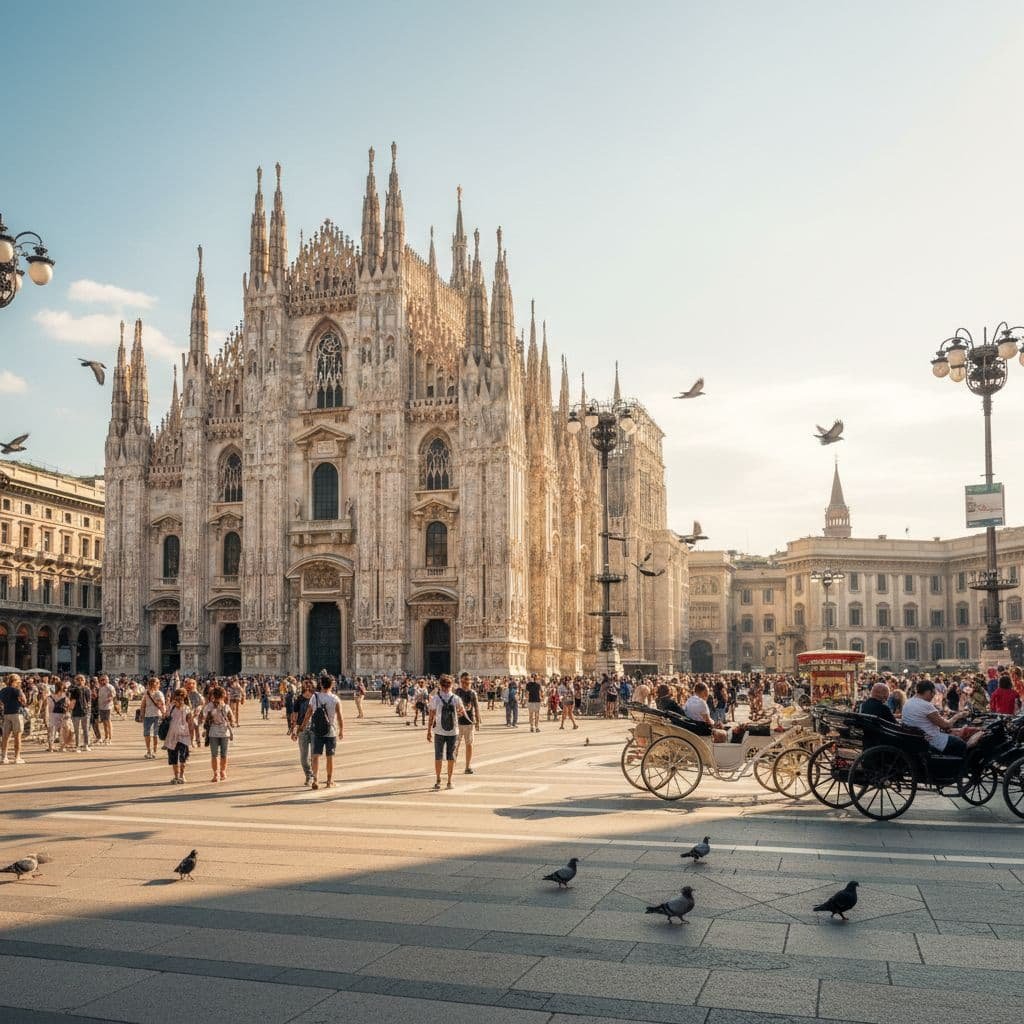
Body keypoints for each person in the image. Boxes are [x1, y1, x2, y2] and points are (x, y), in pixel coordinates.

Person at [902, 680, 971, 756]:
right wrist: (958, 716)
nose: (933, 696)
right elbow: (946, 725)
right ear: (928, 692)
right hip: (932, 741)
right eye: (933, 693)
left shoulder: (908, 702)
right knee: (962, 744)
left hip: (917, 738)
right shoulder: (925, 705)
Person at [299, 676, 344, 789]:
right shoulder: (335, 699)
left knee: (315, 756)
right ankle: (329, 781)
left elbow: (308, 713)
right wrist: (341, 730)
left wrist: (303, 726)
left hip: (317, 731)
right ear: (331, 685)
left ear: (321, 685)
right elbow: (339, 717)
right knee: (330, 757)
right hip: (331, 731)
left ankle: (316, 780)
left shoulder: (315, 697)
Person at [427, 674, 465, 790]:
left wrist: (428, 731)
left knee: (438, 756)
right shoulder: (456, 698)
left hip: (439, 731)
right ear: (452, 685)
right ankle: (449, 781)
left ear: (440, 685)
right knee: (451, 757)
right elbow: (462, 712)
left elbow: (431, 716)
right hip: (453, 732)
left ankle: (438, 780)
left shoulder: (436, 699)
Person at [201, 685, 234, 782]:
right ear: (223, 696)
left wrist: (205, 729)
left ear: (214, 695)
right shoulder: (226, 706)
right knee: (224, 754)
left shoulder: (209, 706)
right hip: (224, 732)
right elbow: (232, 720)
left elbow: (205, 718)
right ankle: (223, 772)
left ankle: (216, 774)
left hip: (213, 732)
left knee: (214, 754)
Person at [163, 688, 195, 784]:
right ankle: (177, 776)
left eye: (180, 697)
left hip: (182, 736)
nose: (179, 699)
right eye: (177, 697)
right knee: (175, 757)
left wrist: (192, 738)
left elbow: (190, 723)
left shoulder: (186, 708)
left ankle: (180, 776)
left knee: (182, 757)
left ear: (184, 697)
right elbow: (165, 716)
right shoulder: (171, 707)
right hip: (173, 736)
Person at [289, 678, 316, 785]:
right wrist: (293, 730)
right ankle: (308, 774)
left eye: (310, 684)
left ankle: (314, 776)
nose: (308, 686)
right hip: (302, 729)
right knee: (304, 757)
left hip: (315, 729)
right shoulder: (299, 699)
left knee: (315, 755)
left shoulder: (317, 698)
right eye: (306, 684)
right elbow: (295, 716)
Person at [454, 671, 480, 774]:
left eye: (468, 681)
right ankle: (452, 764)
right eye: (464, 681)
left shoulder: (473, 693)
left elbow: (477, 707)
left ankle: (468, 766)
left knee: (469, 745)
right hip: (458, 722)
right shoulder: (457, 692)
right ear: (461, 681)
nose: (466, 683)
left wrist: (478, 721)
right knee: (455, 745)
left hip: (469, 722)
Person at [0, 674, 27, 765]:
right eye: (19, 681)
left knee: (5, 737)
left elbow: (1, 702)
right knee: (17, 736)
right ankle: (17, 757)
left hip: (7, 713)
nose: (20, 682)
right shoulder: (17, 690)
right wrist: (21, 691)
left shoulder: (3, 690)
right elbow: (24, 701)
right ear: (15, 681)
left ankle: (4, 757)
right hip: (16, 713)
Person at [141, 677, 166, 759]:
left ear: (158, 684)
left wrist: (164, 714)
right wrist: (142, 714)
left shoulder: (159, 693)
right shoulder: (146, 693)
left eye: (155, 683)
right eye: (151, 683)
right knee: (147, 734)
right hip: (148, 715)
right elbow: (143, 704)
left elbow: (162, 705)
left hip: (156, 715)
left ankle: (154, 751)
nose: (153, 685)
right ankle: (149, 751)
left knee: (155, 734)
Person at [68, 674, 91, 753]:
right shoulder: (87, 689)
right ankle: (85, 745)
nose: (80, 681)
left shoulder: (74, 690)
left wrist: (69, 710)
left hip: (76, 712)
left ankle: (78, 746)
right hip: (84, 711)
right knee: (85, 729)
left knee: (77, 730)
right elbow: (88, 702)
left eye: (81, 680)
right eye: (79, 680)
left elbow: (72, 701)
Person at [95, 674, 116, 745]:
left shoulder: (110, 687)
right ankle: (106, 737)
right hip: (101, 707)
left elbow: (112, 696)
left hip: (108, 707)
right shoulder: (100, 687)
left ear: (107, 680)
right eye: (101, 680)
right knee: (104, 723)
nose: (102, 681)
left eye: (104, 680)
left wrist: (107, 700)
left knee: (108, 722)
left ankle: (110, 738)